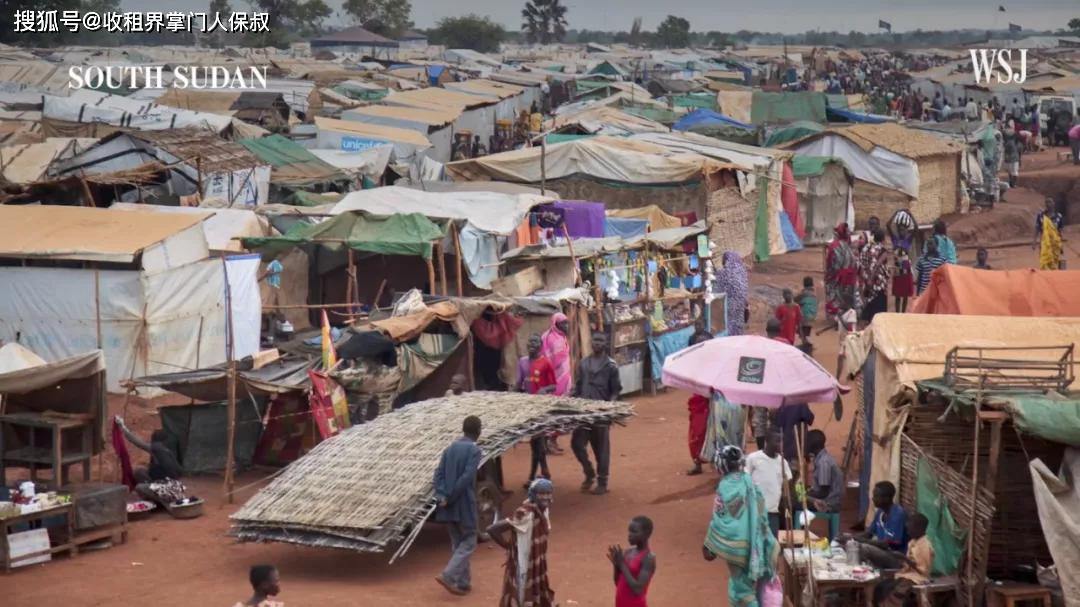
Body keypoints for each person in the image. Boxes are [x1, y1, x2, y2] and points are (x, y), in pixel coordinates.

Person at [702, 445, 778, 606]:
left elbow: (719, 518)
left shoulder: (724, 486)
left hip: (736, 549)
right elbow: (761, 510)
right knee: (738, 584)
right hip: (755, 543)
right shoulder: (748, 481)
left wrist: (709, 544)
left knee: (743, 590)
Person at [433, 416, 483, 596]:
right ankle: (448, 575)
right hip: (464, 504)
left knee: (457, 543)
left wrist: (442, 495)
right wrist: (452, 496)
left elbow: (437, 474)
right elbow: (466, 478)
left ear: (463, 429)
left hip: (447, 505)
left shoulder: (449, 449)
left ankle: (463, 583)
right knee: (469, 541)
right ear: (478, 431)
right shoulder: (475, 451)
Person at [488, 478, 556, 607]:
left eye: (548, 493)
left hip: (536, 561)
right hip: (524, 563)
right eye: (541, 493)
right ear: (533, 495)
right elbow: (492, 529)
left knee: (532, 591)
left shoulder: (543, 510)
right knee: (522, 595)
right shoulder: (525, 514)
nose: (545, 497)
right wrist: (508, 547)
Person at [571, 333, 621, 495]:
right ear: (591, 342)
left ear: (606, 343)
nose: (597, 343)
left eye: (601, 341)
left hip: (600, 414)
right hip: (584, 412)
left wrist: (609, 407)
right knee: (577, 444)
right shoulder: (584, 363)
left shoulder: (611, 366)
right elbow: (578, 387)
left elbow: (616, 390)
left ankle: (602, 481)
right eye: (595, 340)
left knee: (601, 449)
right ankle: (589, 471)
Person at [517, 334, 556, 485]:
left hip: (541, 408)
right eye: (530, 342)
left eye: (535, 342)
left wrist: (544, 390)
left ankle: (533, 476)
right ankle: (544, 471)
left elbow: (554, 385)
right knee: (536, 442)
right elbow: (518, 384)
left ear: (541, 346)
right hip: (527, 407)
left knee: (537, 441)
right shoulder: (522, 362)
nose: (532, 345)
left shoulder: (546, 362)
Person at [874, 514, 934, 607]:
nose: (908, 532)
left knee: (895, 591)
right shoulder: (912, 542)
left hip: (918, 577)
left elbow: (923, 570)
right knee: (881, 586)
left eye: (910, 529)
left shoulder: (925, 545)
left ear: (919, 529)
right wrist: (900, 559)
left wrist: (904, 558)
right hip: (907, 574)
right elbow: (907, 564)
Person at [846, 481, 909, 569]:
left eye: (876, 496)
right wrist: (850, 537)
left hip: (896, 557)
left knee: (864, 548)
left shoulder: (898, 514)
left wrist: (860, 540)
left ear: (887, 498)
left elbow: (889, 545)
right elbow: (868, 533)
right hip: (884, 552)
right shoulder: (880, 512)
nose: (873, 498)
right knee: (850, 544)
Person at [746, 428, 792, 537]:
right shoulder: (754, 458)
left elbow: (788, 483)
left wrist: (786, 504)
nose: (781, 444)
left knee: (772, 543)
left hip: (773, 510)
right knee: (755, 541)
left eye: (782, 441)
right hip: (756, 509)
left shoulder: (783, 462)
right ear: (767, 441)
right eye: (777, 441)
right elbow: (745, 479)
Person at [541, 312, 572, 453]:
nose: (565, 326)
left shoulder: (561, 336)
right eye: (562, 323)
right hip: (553, 381)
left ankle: (553, 440)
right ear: (555, 324)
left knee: (562, 410)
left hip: (563, 379)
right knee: (554, 411)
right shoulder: (551, 338)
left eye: (566, 323)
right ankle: (548, 442)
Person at [610, 516, 657, 607]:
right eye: (629, 531)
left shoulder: (648, 558)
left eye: (634, 531)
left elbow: (638, 589)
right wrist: (616, 565)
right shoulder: (627, 552)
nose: (629, 534)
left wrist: (622, 565)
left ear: (646, 534)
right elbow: (618, 582)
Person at [686, 333, 713, 476]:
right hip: (700, 402)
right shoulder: (694, 362)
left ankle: (718, 464)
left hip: (716, 401)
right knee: (696, 432)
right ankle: (697, 462)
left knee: (717, 433)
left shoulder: (717, 362)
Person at [804, 429, 843, 517]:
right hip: (828, 500)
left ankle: (799, 529)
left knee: (795, 504)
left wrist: (805, 495)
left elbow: (823, 493)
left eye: (806, 443)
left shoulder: (823, 462)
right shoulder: (822, 459)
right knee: (798, 498)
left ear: (812, 446)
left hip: (828, 504)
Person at [825, 223, 858, 319]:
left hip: (839, 277)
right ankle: (848, 317)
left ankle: (839, 318)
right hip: (851, 276)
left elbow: (831, 263)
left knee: (837, 296)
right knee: (848, 297)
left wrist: (829, 275)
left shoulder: (834, 246)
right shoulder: (850, 245)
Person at [715, 251, 749, 336]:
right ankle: (737, 337)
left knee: (728, 322)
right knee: (738, 321)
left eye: (724, 260)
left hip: (729, 303)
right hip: (740, 303)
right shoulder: (742, 272)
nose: (723, 262)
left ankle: (729, 338)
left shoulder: (724, 273)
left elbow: (716, 288)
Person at [1034, 197, 1064, 270]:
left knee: (1054, 262)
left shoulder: (1059, 216)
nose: (1048, 204)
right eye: (1046, 202)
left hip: (1055, 243)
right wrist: (1034, 242)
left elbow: (1060, 231)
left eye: (1050, 202)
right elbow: (1037, 229)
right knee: (1044, 261)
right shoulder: (1041, 216)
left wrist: (1061, 245)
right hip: (1044, 243)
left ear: (1053, 204)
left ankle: (1052, 278)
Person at [795, 276, 818, 348]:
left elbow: (795, 300)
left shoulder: (803, 294)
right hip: (813, 316)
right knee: (807, 331)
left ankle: (805, 342)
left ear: (804, 284)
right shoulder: (814, 294)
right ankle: (806, 341)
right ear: (812, 284)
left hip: (804, 317)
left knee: (801, 328)